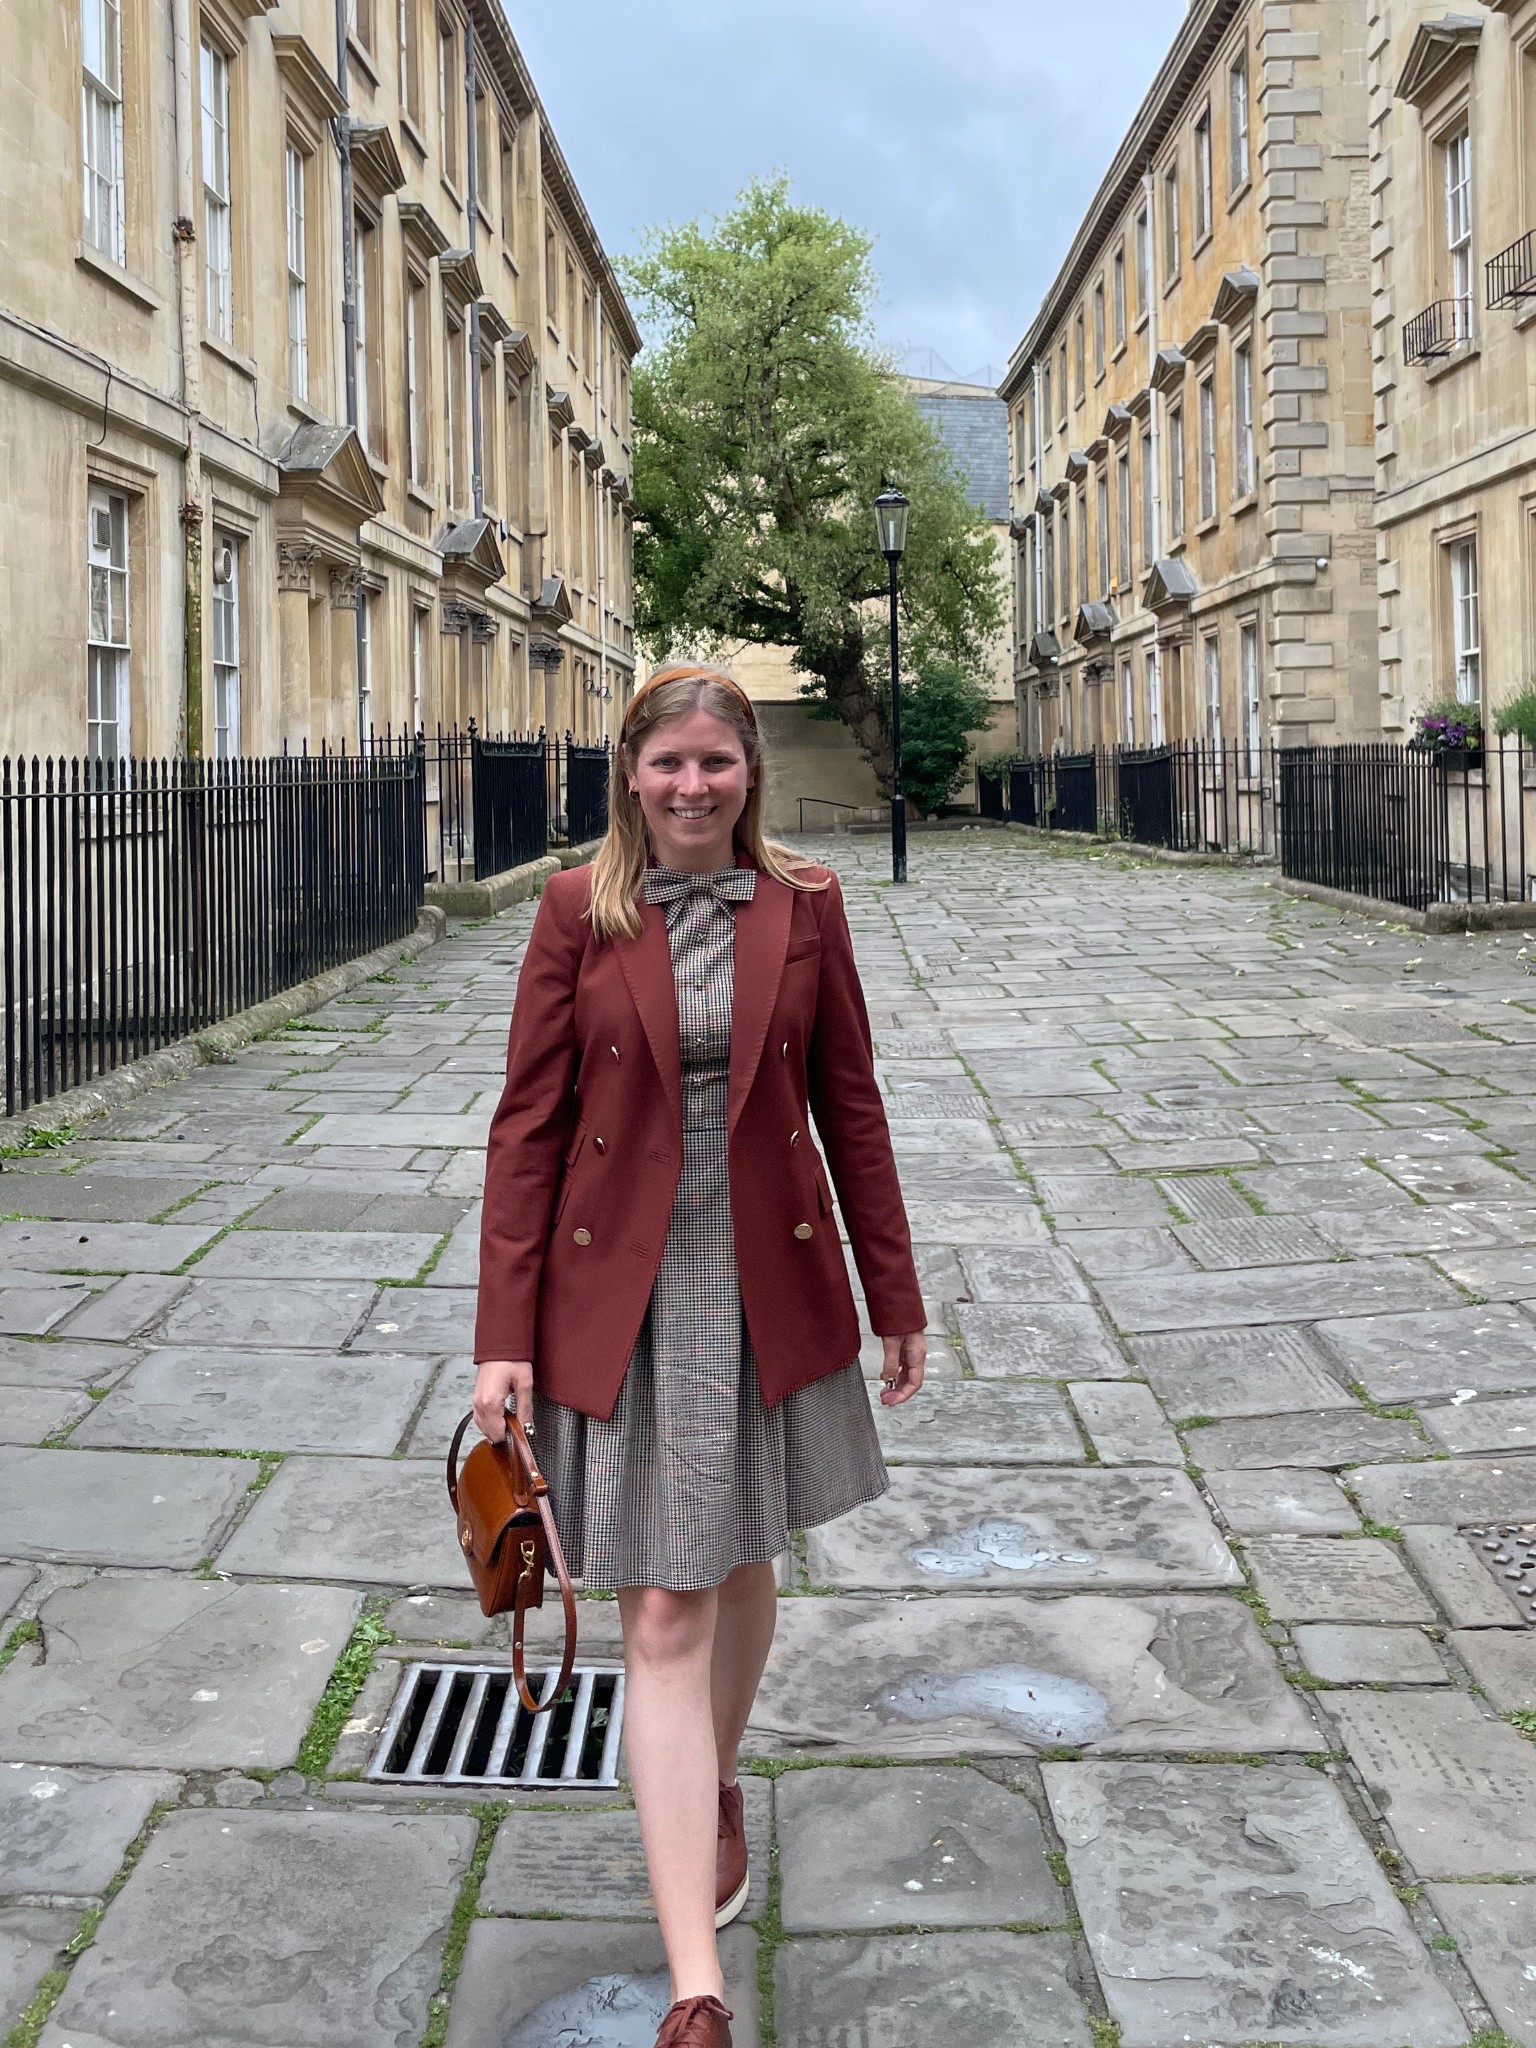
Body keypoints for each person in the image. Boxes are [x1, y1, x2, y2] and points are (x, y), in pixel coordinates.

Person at [472, 664, 926, 2048]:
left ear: (749, 773)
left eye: (714, 763)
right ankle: (696, 1987)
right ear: (631, 774)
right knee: (665, 1610)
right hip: (623, 1290)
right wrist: (501, 1339)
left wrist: (894, 1292)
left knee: (741, 1559)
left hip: (767, 1277)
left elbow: (851, 1104)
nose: (690, 786)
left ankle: (712, 1778)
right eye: (667, 763)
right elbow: (527, 1130)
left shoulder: (808, 903)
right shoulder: (576, 909)